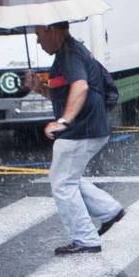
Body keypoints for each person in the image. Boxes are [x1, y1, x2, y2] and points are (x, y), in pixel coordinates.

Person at [25, 22, 125, 255]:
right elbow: (64, 93)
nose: (38, 41)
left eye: (39, 34)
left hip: (80, 129)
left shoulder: (70, 53)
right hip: (89, 126)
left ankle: (85, 239)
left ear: (51, 29)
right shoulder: (68, 53)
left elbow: (80, 88)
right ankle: (109, 210)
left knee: (63, 182)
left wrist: (63, 121)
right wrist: (39, 87)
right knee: (66, 176)